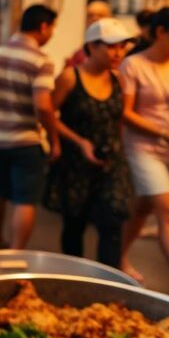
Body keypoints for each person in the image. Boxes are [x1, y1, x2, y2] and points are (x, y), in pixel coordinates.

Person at [44, 19, 135, 267]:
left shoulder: (119, 79)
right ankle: (75, 278)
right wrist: (78, 141)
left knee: (112, 221)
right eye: (111, 47)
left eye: (122, 47)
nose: (118, 53)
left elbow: (121, 116)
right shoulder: (70, 78)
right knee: (75, 225)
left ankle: (111, 285)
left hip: (110, 163)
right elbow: (49, 115)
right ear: (91, 47)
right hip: (76, 163)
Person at [118, 7, 169, 298]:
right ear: (161, 32)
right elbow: (125, 113)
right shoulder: (133, 65)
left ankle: (118, 256)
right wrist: (164, 134)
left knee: (143, 207)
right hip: (144, 146)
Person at [0, 4, 60, 250]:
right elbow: (43, 107)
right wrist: (54, 139)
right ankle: (15, 251)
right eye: (53, 27)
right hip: (26, 140)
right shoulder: (40, 61)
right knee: (25, 199)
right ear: (43, 26)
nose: (52, 33)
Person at [66, 0, 113, 67]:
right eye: (90, 15)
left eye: (100, 15)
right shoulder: (79, 54)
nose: (94, 19)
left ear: (110, 18)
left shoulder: (119, 50)